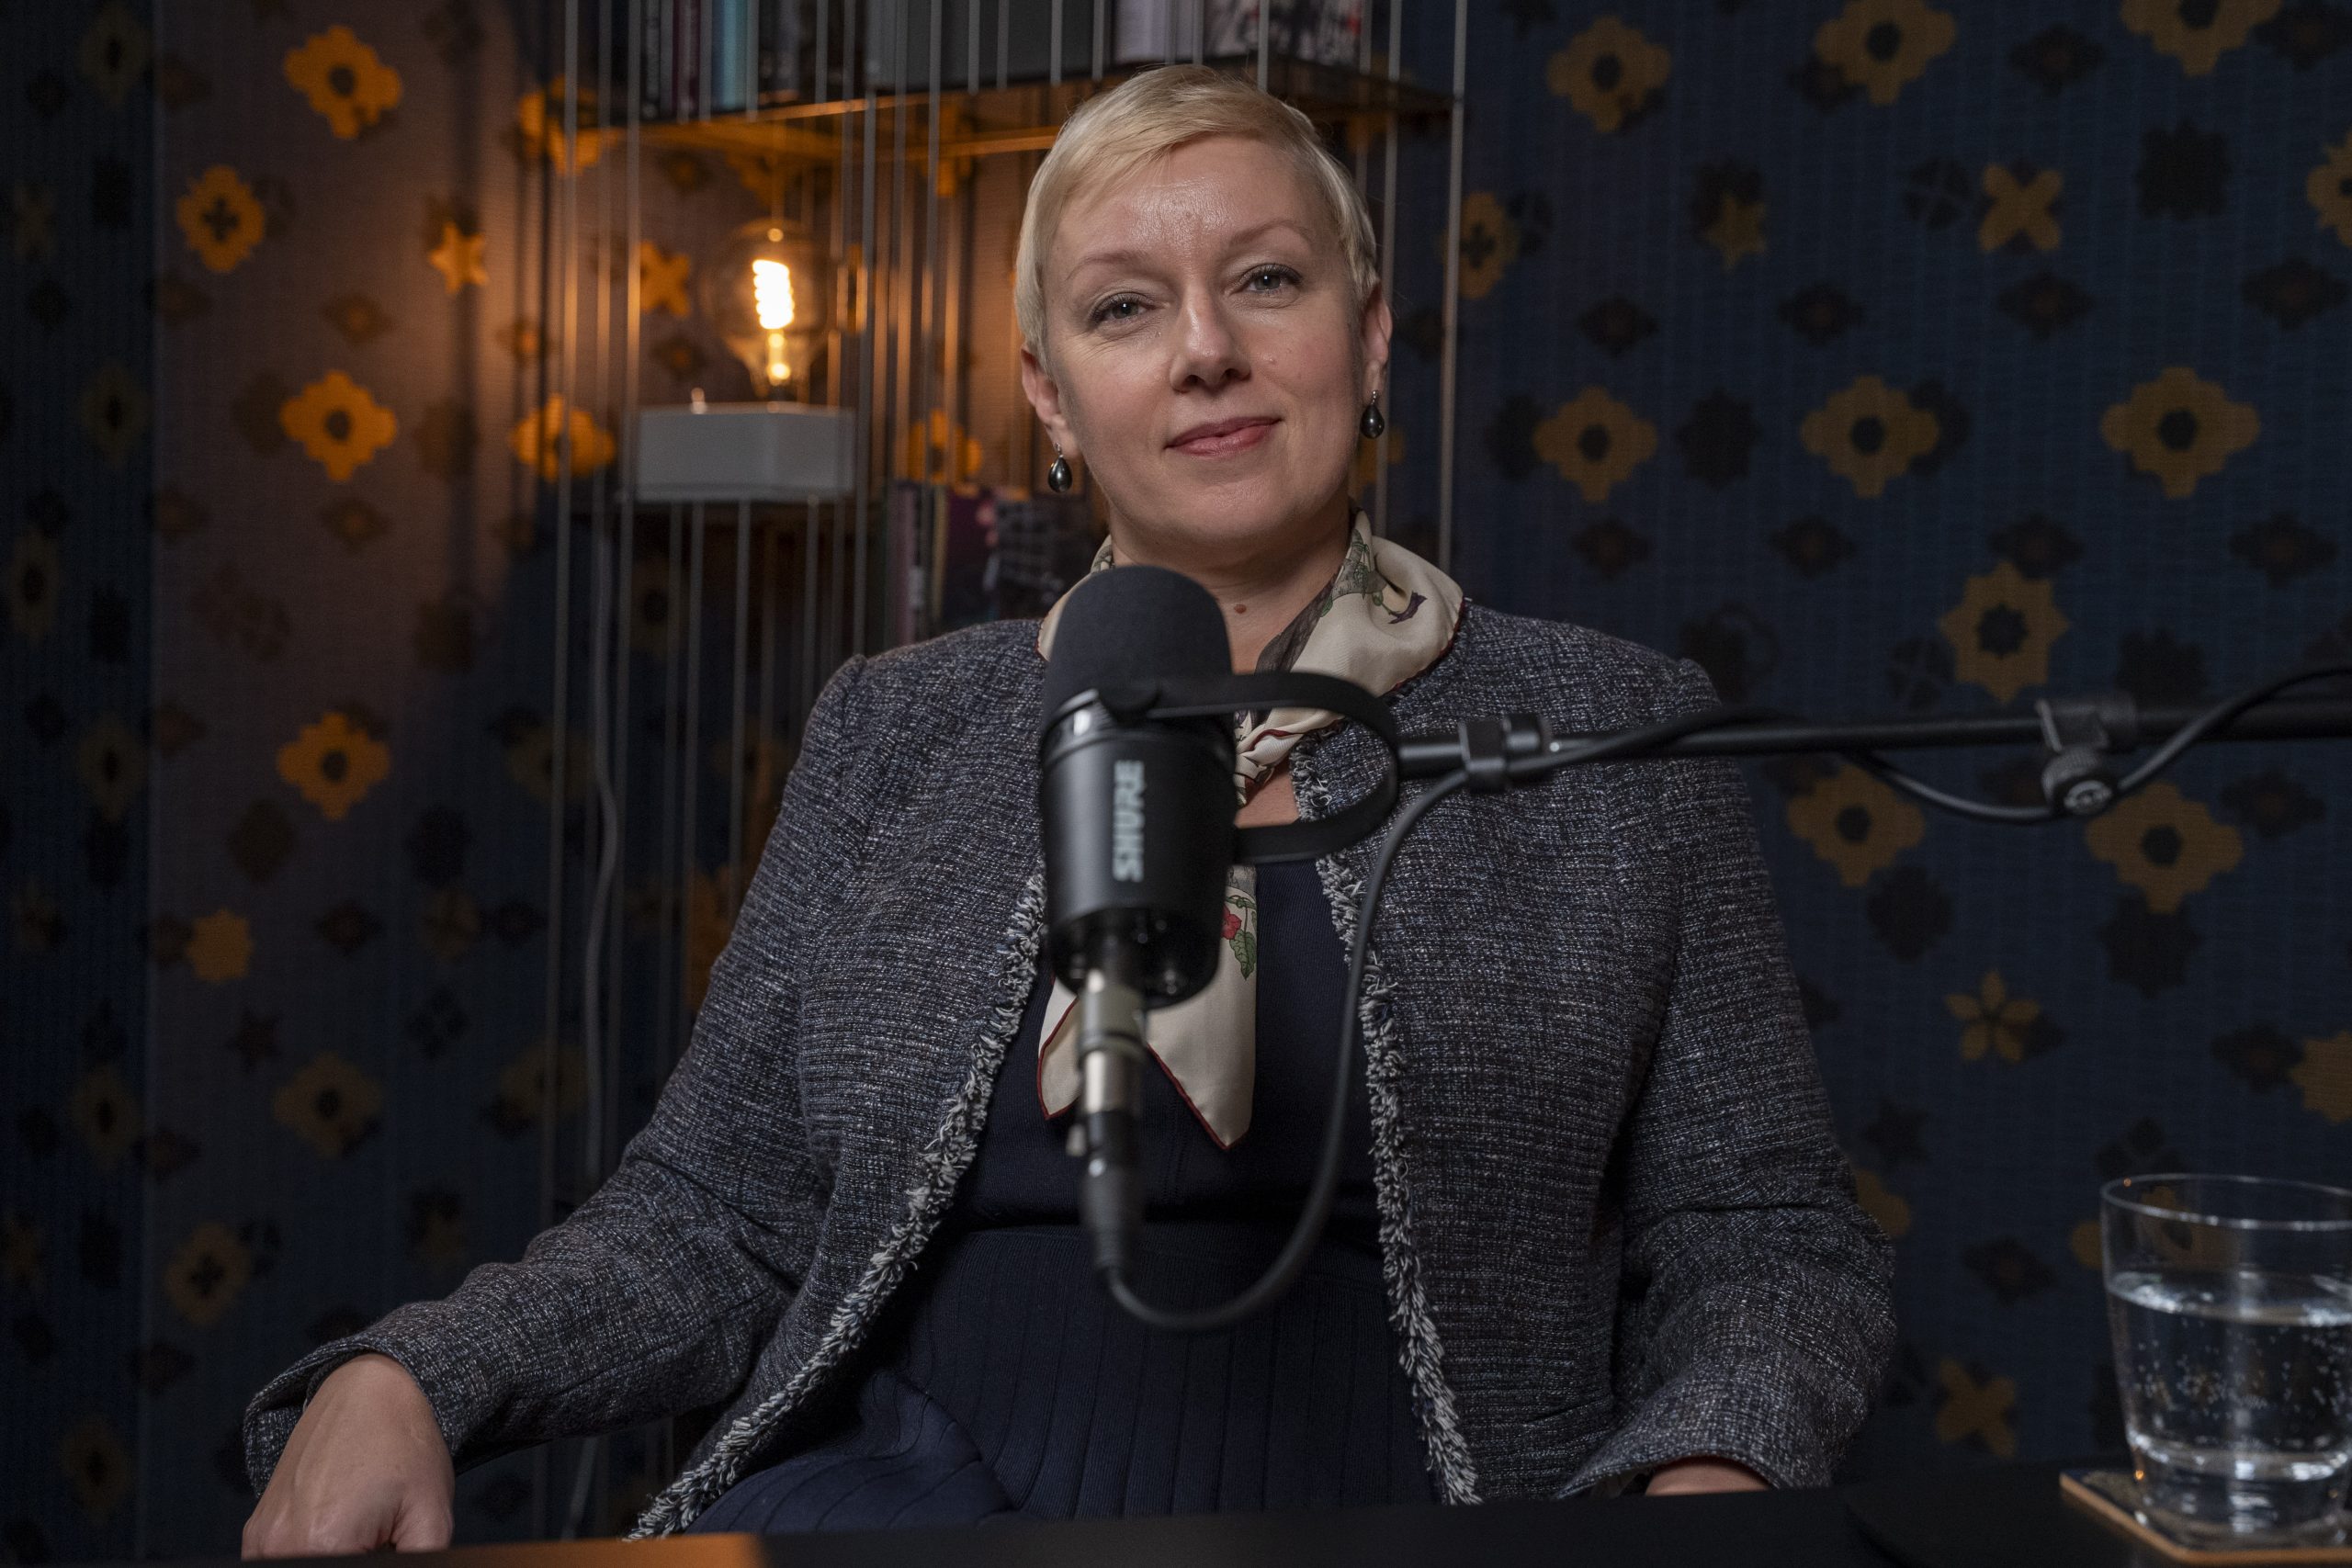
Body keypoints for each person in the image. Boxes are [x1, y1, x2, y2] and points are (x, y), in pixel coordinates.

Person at [240, 64, 1893, 1556]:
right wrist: (414, 1373)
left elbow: (1764, 1233)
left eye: (1267, 280)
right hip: (901, 1500)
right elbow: (714, 1214)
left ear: (1371, 335)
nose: (1206, 350)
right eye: (1124, 308)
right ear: (1049, 393)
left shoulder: (1608, 732)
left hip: (1400, 1509)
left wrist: (1712, 1476)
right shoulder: (897, 728)